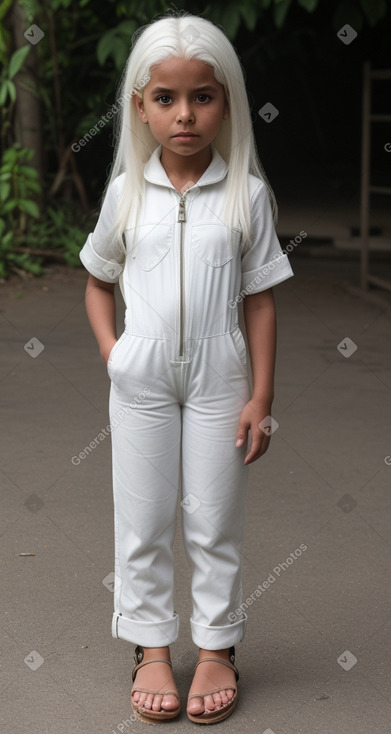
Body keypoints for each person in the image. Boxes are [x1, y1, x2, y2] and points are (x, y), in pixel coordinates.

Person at [79, 10, 293, 725]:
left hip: (219, 379)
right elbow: (97, 280)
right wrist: (116, 355)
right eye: (164, 98)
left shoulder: (246, 196)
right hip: (139, 382)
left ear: (224, 100)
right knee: (141, 521)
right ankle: (148, 648)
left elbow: (259, 300)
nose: (184, 114)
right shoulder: (124, 195)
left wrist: (259, 395)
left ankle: (216, 649)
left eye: (202, 95)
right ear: (139, 106)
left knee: (212, 520)